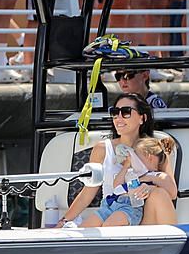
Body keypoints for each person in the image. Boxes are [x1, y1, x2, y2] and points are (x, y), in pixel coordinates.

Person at [56, 92, 178, 227]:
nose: (118, 117)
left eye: (126, 112)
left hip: (141, 215)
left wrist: (151, 188)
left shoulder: (155, 150)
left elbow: (172, 193)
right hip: (110, 208)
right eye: (115, 112)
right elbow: (88, 191)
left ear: (142, 118)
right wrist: (64, 221)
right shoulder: (102, 149)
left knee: (158, 193)